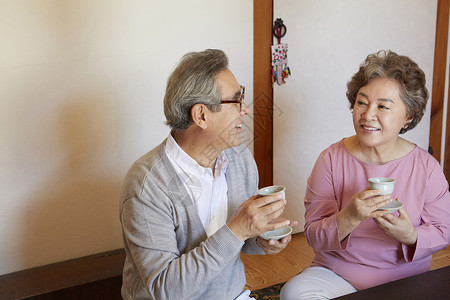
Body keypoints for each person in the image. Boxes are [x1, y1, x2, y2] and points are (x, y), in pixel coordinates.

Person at [119, 49, 297, 300]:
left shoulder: (239, 159)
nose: (245, 109)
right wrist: (237, 230)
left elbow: (239, 242)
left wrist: (261, 240)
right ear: (201, 115)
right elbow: (164, 289)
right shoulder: (147, 185)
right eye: (236, 100)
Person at [281, 50, 450, 299]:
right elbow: (314, 236)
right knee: (293, 293)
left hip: (405, 279)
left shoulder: (426, 167)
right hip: (337, 274)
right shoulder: (331, 159)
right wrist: (349, 216)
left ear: (408, 116)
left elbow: (443, 232)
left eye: (383, 106)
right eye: (362, 102)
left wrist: (410, 235)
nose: (367, 115)